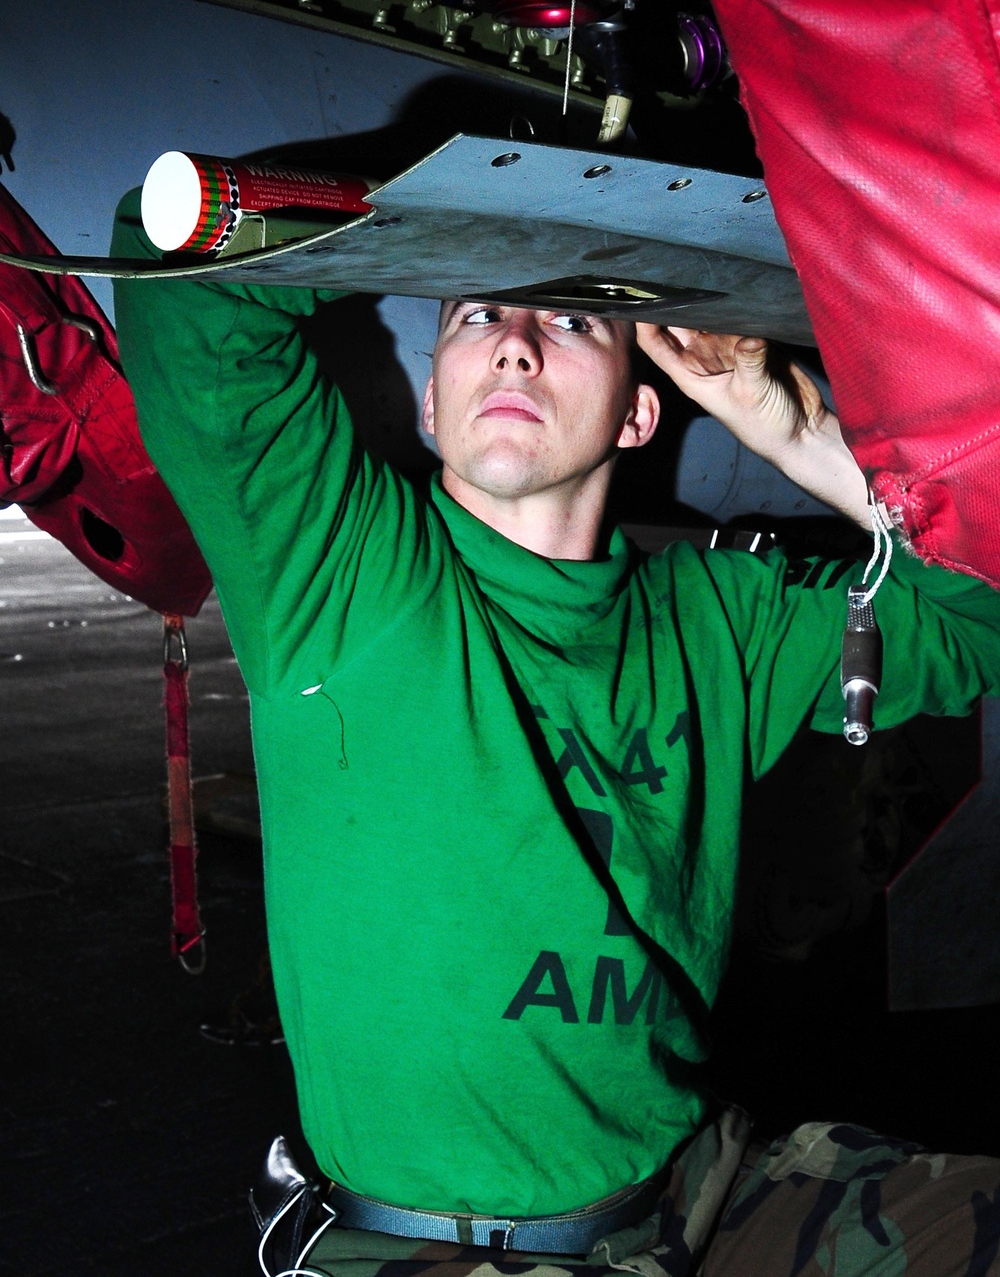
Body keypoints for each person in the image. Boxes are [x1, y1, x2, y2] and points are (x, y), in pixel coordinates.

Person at [114, 276, 1000, 1277]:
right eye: (477, 315)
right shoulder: (340, 576)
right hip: (429, 1252)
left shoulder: (719, 620)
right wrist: (456, 211)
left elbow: (981, 618)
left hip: (698, 1198)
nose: (516, 346)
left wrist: (784, 426)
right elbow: (188, 283)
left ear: (638, 411)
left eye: (572, 322)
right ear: (432, 402)